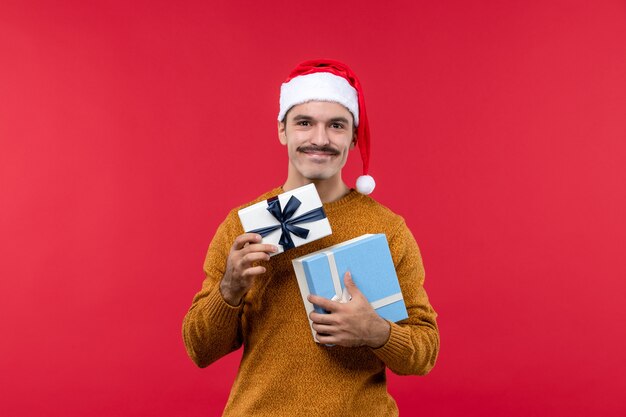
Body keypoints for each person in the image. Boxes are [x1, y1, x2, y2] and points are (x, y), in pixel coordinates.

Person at [182, 59, 439, 416]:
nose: (320, 139)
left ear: (353, 135)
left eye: (336, 125)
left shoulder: (388, 228)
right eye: (304, 123)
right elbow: (200, 349)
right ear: (282, 131)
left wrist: (377, 331)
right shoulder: (242, 225)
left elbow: (425, 352)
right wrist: (230, 289)